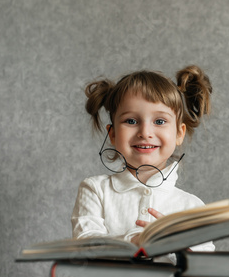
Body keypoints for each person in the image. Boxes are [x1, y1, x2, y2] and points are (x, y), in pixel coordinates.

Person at [71, 64, 216, 253]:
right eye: (131, 121)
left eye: (160, 121)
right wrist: (134, 241)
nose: (145, 132)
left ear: (179, 134)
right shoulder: (96, 190)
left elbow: (204, 272)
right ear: (113, 134)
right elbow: (85, 244)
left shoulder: (193, 208)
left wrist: (181, 248)